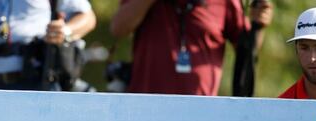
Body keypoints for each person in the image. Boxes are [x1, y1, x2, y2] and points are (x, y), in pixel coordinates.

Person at [109, 0, 273, 95]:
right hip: (146, 109)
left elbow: (246, 49)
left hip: (201, 113)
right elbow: (118, 28)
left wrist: (258, 26)